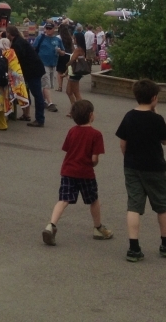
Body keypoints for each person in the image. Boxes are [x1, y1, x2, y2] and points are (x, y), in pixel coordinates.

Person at [116, 79, 166, 261]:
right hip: (154, 167)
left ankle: (134, 247)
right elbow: (165, 140)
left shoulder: (129, 116)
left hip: (132, 166)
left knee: (134, 205)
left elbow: (123, 143)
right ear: (154, 98)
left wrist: (128, 158)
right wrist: (156, 113)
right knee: (162, 205)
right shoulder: (157, 119)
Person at [42, 99, 113, 245]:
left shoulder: (72, 131)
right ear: (91, 115)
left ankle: (51, 225)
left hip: (68, 170)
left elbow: (68, 149)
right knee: (93, 200)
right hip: (85, 172)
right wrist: (94, 163)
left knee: (63, 199)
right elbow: (94, 159)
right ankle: (98, 228)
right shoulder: (96, 134)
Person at [7, 24, 47, 127]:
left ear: (9, 34)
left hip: (32, 71)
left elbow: (17, 59)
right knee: (28, 92)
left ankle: (40, 119)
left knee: (37, 94)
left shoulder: (17, 44)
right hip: (33, 69)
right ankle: (27, 115)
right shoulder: (19, 41)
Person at [32, 21, 64, 114]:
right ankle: (50, 103)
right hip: (42, 63)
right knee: (46, 84)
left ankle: (43, 101)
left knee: (49, 84)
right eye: (47, 28)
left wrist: (59, 51)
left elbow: (63, 52)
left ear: (54, 29)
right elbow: (34, 48)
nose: (48, 30)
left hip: (53, 64)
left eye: (50, 28)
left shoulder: (57, 40)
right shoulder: (40, 38)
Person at [65, 43, 88, 114]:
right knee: (69, 91)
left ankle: (82, 110)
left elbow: (73, 59)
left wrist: (67, 64)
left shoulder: (78, 49)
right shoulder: (78, 48)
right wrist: (66, 72)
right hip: (72, 72)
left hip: (75, 72)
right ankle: (74, 109)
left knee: (76, 92)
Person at [56, 22, 74, 92]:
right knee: (68, 71)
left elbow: (57, 47)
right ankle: (71, 86)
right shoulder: (70, 37)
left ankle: (60, 87)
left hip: (62, 55)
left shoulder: (58, 37)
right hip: (69, 55)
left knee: (60, 71)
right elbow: (72, 47)